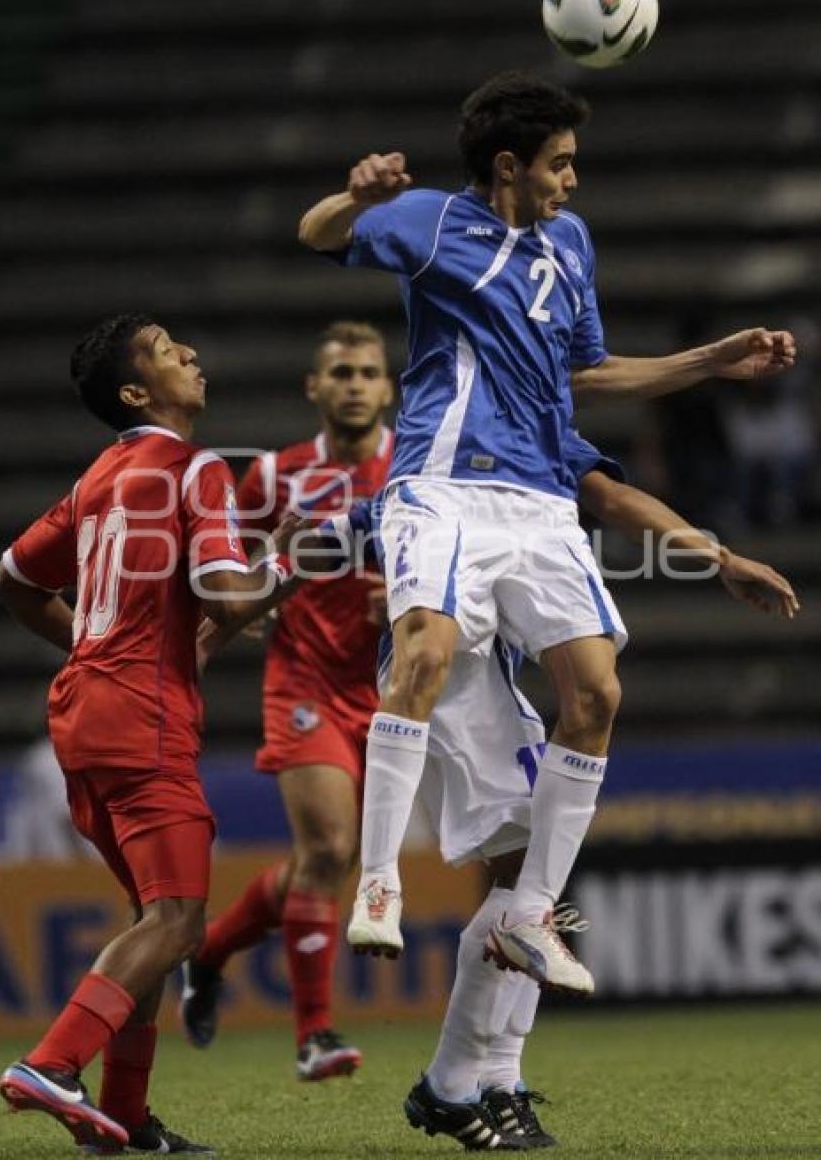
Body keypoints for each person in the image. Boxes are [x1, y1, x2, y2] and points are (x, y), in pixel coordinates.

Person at [297, 69, 796, 993]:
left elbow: (591, 372)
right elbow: (318, 236)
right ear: (506, 166)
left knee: (598, 692)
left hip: (536, 498)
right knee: (425, 656)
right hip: (441, 482)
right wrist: (353, 197)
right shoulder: (433, 220)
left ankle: (530, 913)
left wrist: (713, 362)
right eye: (559, 164)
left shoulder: (570, 242)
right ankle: (377, 883)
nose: (572, 180)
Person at [388, 431, 798, 1153]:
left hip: (489, 671)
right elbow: (335, 540)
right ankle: (469, 1082)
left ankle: (474, 1081)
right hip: (445, 679)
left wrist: (723, 556)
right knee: (527, 890)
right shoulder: (437, 444)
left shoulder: (529, 421)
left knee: (528, 878)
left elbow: (608, 492)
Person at [0, 315, 294, 1153]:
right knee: (180, 922)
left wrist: (95, 641)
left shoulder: (98, 479)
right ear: (136, 391)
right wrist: (296, 564)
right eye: (166, 350)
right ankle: (52, 1064)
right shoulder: (195, 472)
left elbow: (12, 580)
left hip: (83, 714)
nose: (191, 353)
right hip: (142, 721)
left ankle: (122, 1118)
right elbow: (233, 597)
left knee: (150, 915)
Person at [181, 321, 393, 1081]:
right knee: (332, 849)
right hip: (304, 679)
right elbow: (223, 562)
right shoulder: (275, 476)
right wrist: (248, 607)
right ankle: (315, 1034)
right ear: (315, 387)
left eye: (368, 371)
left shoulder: (417, 471)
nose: (354, 384)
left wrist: (403, 605)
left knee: (319, 861)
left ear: (388, 388)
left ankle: (208, 949)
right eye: (340, 372)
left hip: (398, 690)